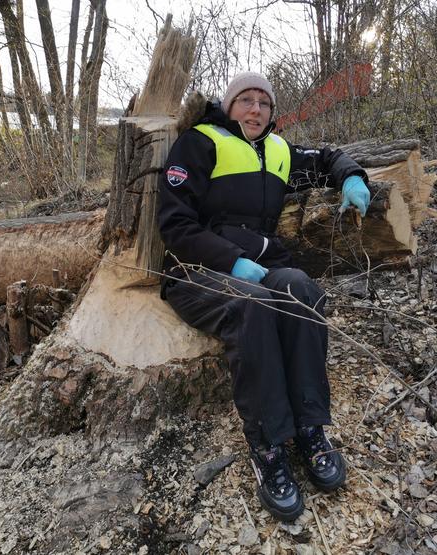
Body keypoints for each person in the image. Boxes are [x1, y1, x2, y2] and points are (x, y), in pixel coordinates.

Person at [158, 72, 370, 522]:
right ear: (229, 104)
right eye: (246, 101)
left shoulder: (278, 151)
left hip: (265, 262)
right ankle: (268, 444)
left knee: (301, 290)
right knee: (252, 305)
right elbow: (175, 225)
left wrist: (351, 177)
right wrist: (230, 260)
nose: (255, 110)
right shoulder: (200, 143)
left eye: (264, 104)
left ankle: (310, 427)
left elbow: (326, 156)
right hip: (197, 270)